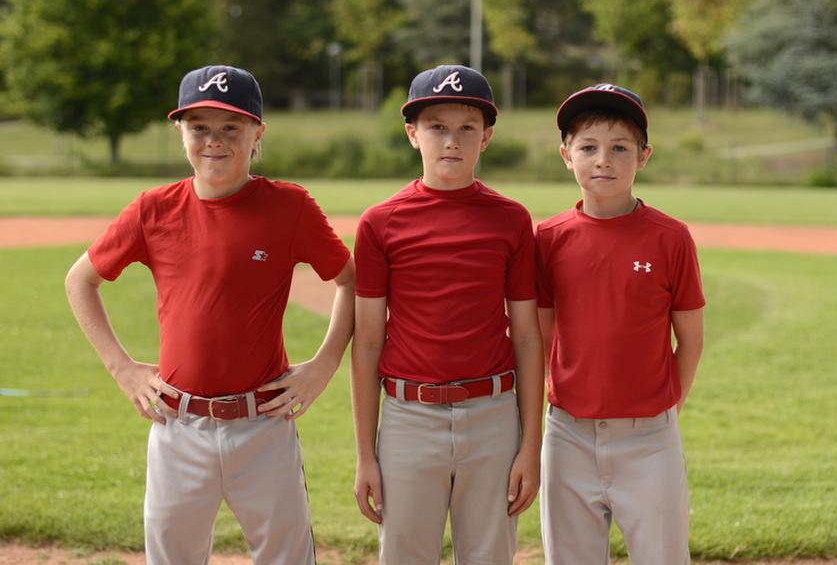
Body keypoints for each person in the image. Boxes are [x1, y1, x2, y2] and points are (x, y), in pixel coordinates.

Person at [64, 65, 354, 564]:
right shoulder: (153, 209)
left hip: (263, 422)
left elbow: (351, 280)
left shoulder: (290, 207)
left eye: (230, 128)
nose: (213, 141)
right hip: (178, 424)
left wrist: (324, 365)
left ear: (257, 133)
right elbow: (80, 281)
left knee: (287, 556)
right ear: (180, 131)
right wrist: (123, 368)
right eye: (199, 127)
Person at [350, 64, 544, 564]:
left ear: (487, 137)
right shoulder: (380, 223)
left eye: (466, 129)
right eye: (436, 126)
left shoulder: (511, 219)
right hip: (408, 419)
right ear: (413, 134)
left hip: (493, 416)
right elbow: (368, 342)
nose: (451, 141)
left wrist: (530, 447)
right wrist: (365, 455)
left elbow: (526, 337)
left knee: (488, 554)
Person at [536, 83, 706, 564]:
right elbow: (541, 337)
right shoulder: (547, 239)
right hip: (567, 434)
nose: (603, 160)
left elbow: (689, 339)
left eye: (619, 148)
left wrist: (668, 406)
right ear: (566, 155)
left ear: (644, 156)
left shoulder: (670, 237)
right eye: (588, 147)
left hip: (650, 438)